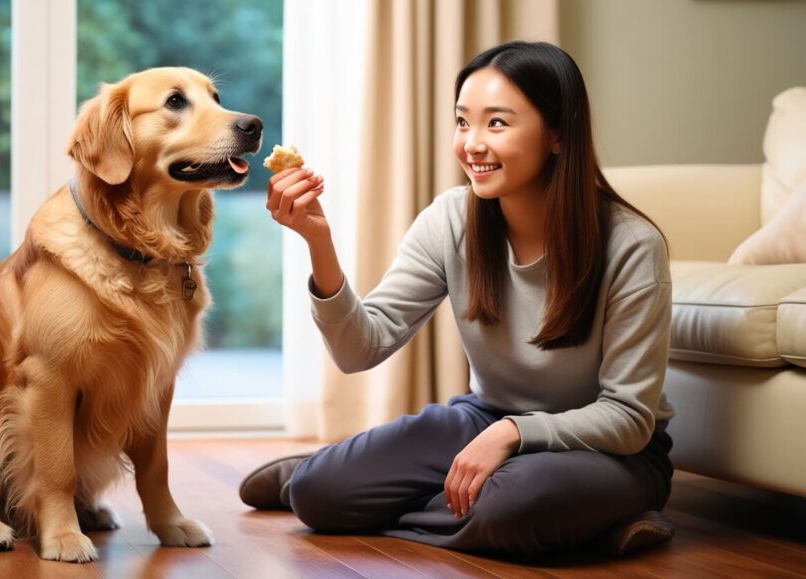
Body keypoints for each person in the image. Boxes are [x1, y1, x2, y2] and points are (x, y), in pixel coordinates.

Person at [240, 40, 677, 557]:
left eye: (497, 123)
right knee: (315, 496)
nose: (472, 143)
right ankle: (585, 528)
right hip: (484, 419)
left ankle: (584, 513)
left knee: (512, 506)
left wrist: (514, 433)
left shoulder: (630, 245)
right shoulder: (451, 218)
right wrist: (319, 242)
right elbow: (361, 348)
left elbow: (628, 417)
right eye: (463, 121)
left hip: (609, 451)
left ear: (558, 134)